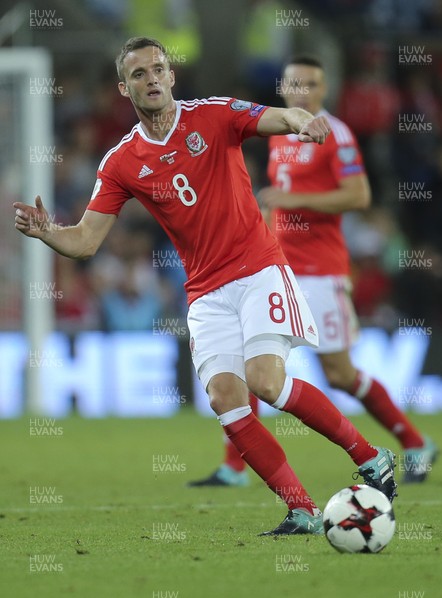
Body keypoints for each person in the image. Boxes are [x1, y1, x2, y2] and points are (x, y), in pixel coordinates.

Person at [14, 38, 397, 536]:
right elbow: (85, 242)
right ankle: (300, 508)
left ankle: (370, 456)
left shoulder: (214, 115)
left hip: (258, 268)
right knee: (225, 400)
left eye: (158, 69)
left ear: (171, 76)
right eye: (138, 73)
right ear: (123, 87)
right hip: (205, 291)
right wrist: (48, 233)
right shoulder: (121, 161)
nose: (151, 78)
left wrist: (302, 121)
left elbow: (275, 119)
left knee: (265, 381)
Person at [189, 55, 437, 490]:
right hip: (276, 268)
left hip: (321, 272)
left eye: (311, 84)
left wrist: (293, 200)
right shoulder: (281, 136)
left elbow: (359, 196)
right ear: (283, 90)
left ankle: (415, 442)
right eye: (295, 84)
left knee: (340, 374)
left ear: (323, 91)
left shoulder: (335, 133)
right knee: (252, 360)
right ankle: (235, 466)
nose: (302, 91)